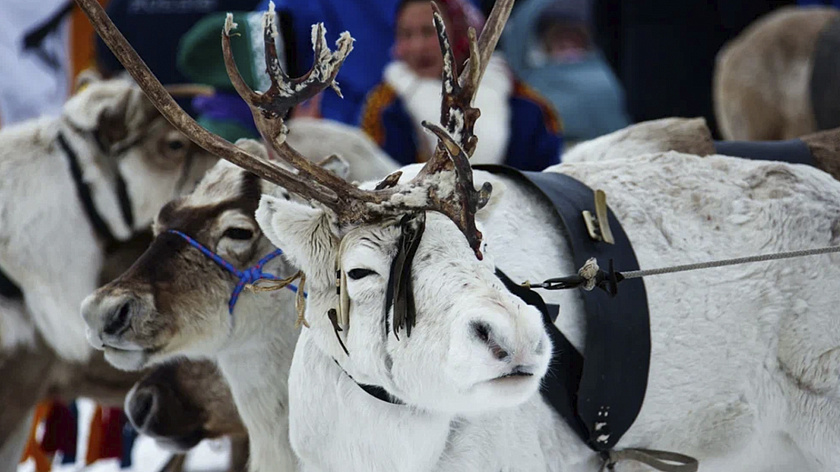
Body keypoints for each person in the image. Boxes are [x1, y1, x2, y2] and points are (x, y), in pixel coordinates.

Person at [359, 0, 562, 171]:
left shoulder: (524, 105)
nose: (417, 46)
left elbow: (546, 180)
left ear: (460, 33)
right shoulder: (385, 106)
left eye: (430, 32)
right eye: (406, 34)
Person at [503, 0, 630, 143]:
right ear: (546, 44)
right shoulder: (532, 78)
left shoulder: (603, 75)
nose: (568, 47)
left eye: (575, 40)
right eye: (561, 42)